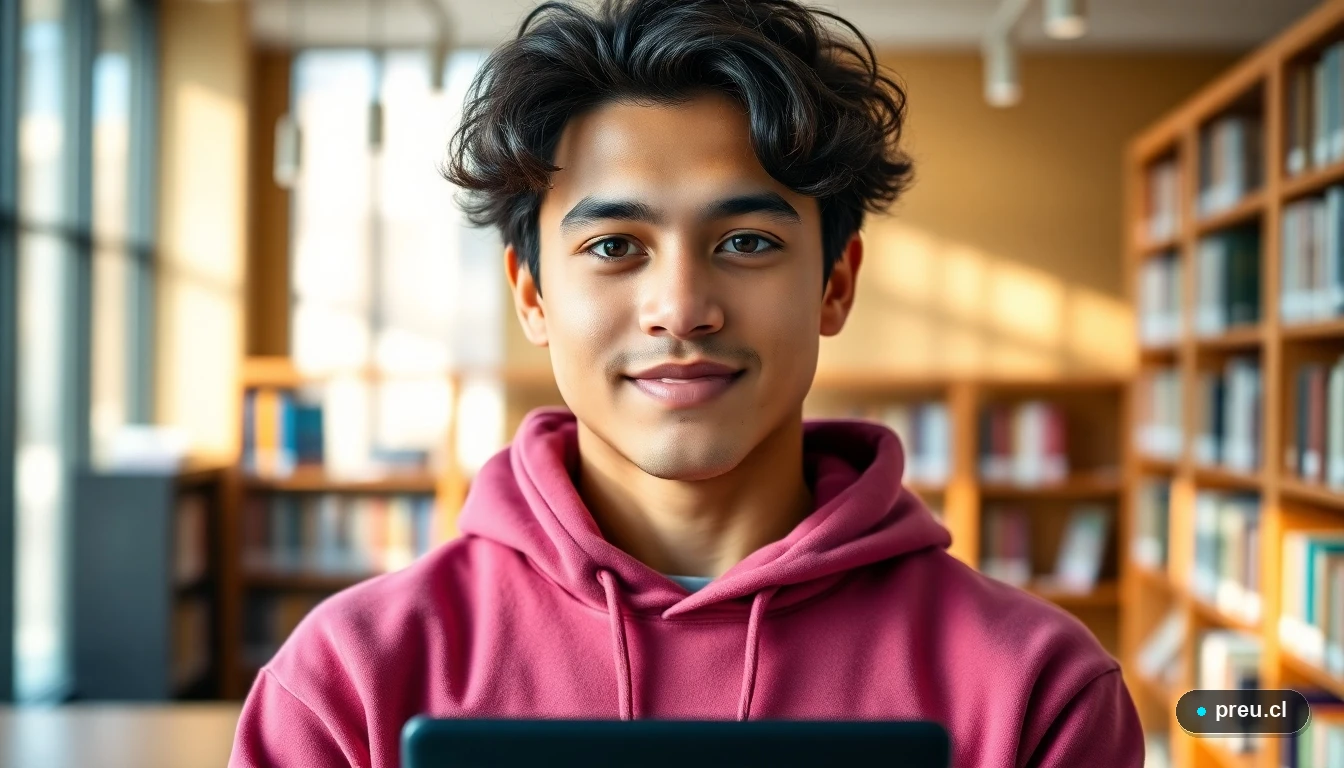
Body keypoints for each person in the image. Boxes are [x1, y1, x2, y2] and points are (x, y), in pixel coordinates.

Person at [229, 1, 1145, 766]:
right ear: (533, 295)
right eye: (614, 247)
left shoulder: (1037, 694)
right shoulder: (347, 685)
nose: (681, 308)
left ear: (835, 283)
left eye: (746, 242)